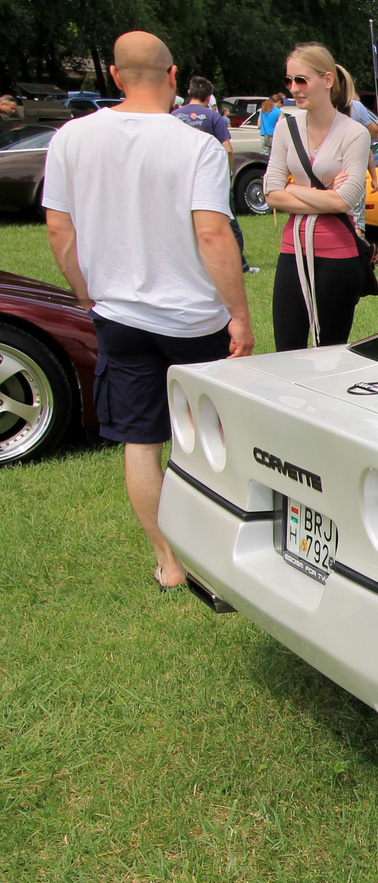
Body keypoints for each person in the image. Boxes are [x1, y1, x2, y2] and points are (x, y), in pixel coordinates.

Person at [42, 31, 252, 592]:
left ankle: (169, 561)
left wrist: (84, 290)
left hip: (118, 313)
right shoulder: (196, 145)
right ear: (174, 74)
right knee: (212, 438)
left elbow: (60, 228)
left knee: (143, 439)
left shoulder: (71, 138)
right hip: (195, 318)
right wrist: (240, 314)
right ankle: (219, 548)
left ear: (113, 75)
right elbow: (212, 233)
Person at [262, 44, 370, 350]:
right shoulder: (286, 127)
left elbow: (345, 201)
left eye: (301, 80)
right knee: (287, 349)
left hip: (338, 253)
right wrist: (301, 192)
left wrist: (292, 188)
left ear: (327, 80)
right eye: (289, 81)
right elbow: (271, 193)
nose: (294, 89)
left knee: (331, 349)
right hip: (292, 249)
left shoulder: (354, 133)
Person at [173, 75, 258, 275]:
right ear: (209, 96)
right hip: (209, 178)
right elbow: (227, 149)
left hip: (181, 178)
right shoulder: (214, 118)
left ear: (188, 92)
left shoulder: (174, 116)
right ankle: (240, 265)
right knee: (228, 221)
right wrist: (227, 173)